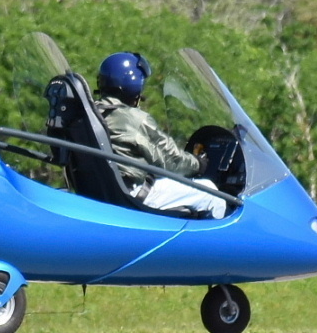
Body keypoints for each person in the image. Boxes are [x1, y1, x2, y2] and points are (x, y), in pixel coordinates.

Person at [93, 51, 229, 219]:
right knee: (212, 194)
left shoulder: (93, 113)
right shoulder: (134, 119)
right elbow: (169, 159)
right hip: (133, 193)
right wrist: (198, 164)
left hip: (105, 194)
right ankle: (209, 245)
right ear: (134, 85)